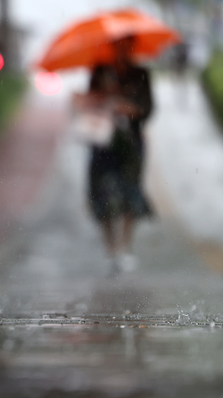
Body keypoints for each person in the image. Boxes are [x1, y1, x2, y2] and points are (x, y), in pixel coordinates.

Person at [77, 35, 153, 275]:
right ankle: (110, 249)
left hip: (130, 143)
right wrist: (103, 100)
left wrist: (127, 108)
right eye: (117, 44)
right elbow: (88, 103)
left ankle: (124, 247)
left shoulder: (140, 74)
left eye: (126, 44)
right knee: (104, 195)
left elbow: (148, 109)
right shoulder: (99, 72)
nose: (122, 49)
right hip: (103, 142)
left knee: (130, 192)